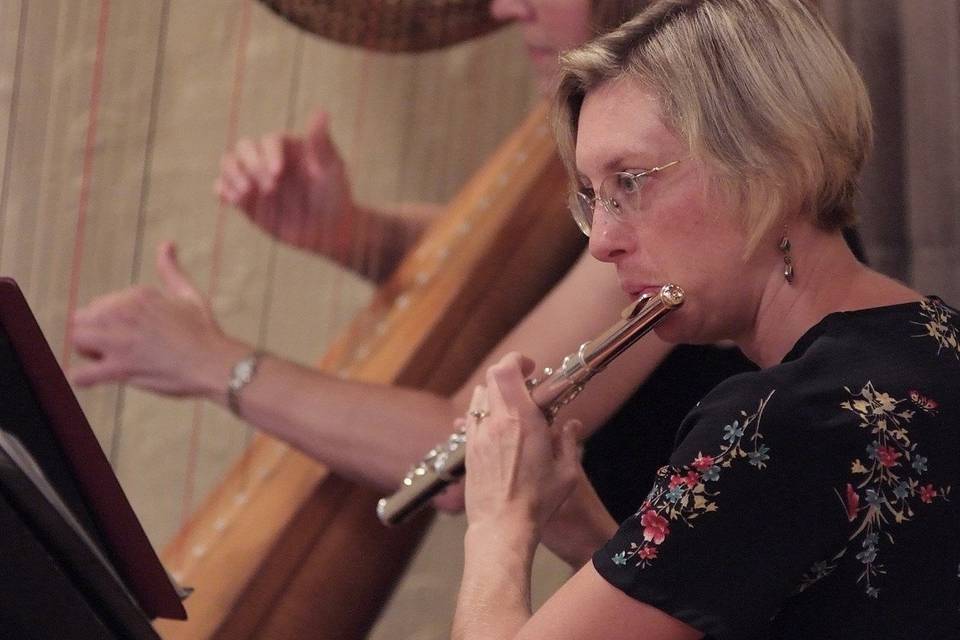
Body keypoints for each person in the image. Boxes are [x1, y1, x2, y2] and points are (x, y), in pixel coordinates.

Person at [69, 0, 755, 564]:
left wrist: (211, 363)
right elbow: (559, 277)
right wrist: (353, 231)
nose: (504, 7)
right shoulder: (666, 142)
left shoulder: (684, 189)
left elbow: (460, 450)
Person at [454, 0, 959, 637]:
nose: (602, 241)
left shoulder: (775, 422)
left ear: (770, 165)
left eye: (630, 183)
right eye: (593, 198)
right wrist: (578, 524)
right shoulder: (935, 340)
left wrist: (498, 523)